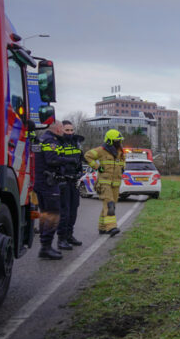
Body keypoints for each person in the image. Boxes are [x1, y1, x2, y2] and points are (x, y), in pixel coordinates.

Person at [33, 111, 72, 259]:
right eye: (62, 128)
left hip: (41, 182)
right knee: (53, 214)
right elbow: (52, 160)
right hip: (49, 183)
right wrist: (68, 161)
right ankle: (46, 247)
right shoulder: (51, 141)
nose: (63, 131)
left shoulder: (42, 139)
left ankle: (45, 246)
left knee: (45, 214)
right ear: (57, 129)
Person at [84, 129, 125, 237]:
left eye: (120, 140)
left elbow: (122, 161)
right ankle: (111, 227)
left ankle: (102, 227)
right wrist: (97, 167)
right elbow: (87, 156)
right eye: (117, 140)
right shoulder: (101, 150)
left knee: (110, 205)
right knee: (109, 204)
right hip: (104, 182)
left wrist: (122, 168)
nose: (119, 142)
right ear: (110, 141)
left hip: (116, 183)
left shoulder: (120, 151)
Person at [56, 120, 85, 250]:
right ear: (61, 130)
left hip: (74, 181)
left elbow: (80, 160)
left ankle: (69, 235)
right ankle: (61, 239)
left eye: (71, 130)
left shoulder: (77, 143)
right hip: (63, 181)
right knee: (65, 212)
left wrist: (80, 173)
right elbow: (55, 160)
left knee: (74, 210)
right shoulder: (58, 143)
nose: (70, 132)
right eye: (67, 130)